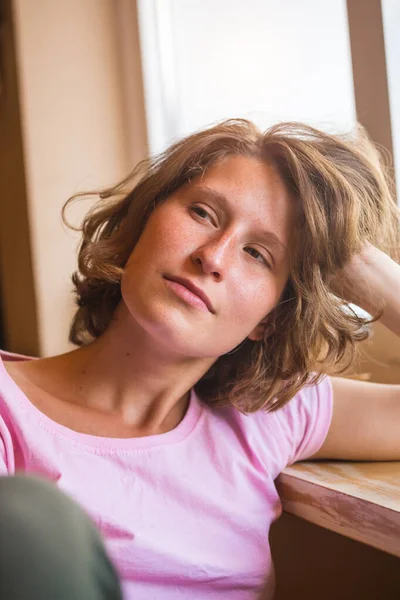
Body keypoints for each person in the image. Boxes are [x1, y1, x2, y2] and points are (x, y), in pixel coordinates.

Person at [0, 119, 399, 600]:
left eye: (257, 253)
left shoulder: (265, 417)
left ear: (268, 320)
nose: (214, 257)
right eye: (204, 214)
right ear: (143, 221)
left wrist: (366, 270)